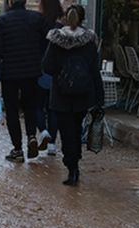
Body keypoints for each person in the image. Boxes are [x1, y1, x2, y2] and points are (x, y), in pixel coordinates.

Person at [42, 5, 103, 186]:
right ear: (83, 19)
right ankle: (75, 163)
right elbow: (94, 71)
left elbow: (47, 66)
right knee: (76, 129)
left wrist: (61, 74)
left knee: (66, 132)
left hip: (61, 95)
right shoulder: (89, 40)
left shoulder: (56, 39)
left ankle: (71, 167)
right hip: (83, 94)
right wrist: (99, 98)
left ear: (65, 18)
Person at [0, 0, 45, 162]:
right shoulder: (36, 19)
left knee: (12, 111)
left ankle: (18, 149)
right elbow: (44, 43)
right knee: (30, 107)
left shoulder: (2, 21)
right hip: (31, 72)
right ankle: (32, 136)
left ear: (11, 2)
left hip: (10, 73)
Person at [36, 0, 63, 156]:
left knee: (37, 106)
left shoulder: (39, 26)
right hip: (56, 74)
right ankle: (52, 144)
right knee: (53, 109)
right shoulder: (60, 29)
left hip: (40, 71)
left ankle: (43, 131)